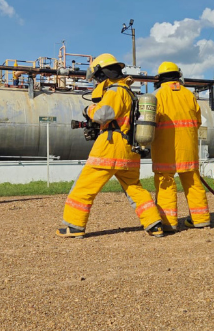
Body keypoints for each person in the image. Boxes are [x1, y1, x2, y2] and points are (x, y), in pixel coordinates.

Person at [57, 53, 165, 238]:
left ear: (102, 74)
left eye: (97, 78)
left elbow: (103, 115)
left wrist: (88, 110)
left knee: (84, 187)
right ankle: (154, 224)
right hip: (129, 150)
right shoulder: (130, 92)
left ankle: (74, 226)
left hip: (109, 148)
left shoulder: (115, 91)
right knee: (135, 188)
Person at [151, 61, 211, 231]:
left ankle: (168, 223)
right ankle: (201, 219)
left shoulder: (157, 95)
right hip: (188, 148)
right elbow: (198, 121)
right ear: (178, 75)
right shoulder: (188, 94)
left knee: (165, 183)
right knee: (192, 182)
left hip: (165, 148)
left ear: (160, 78)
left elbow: (150, 123)